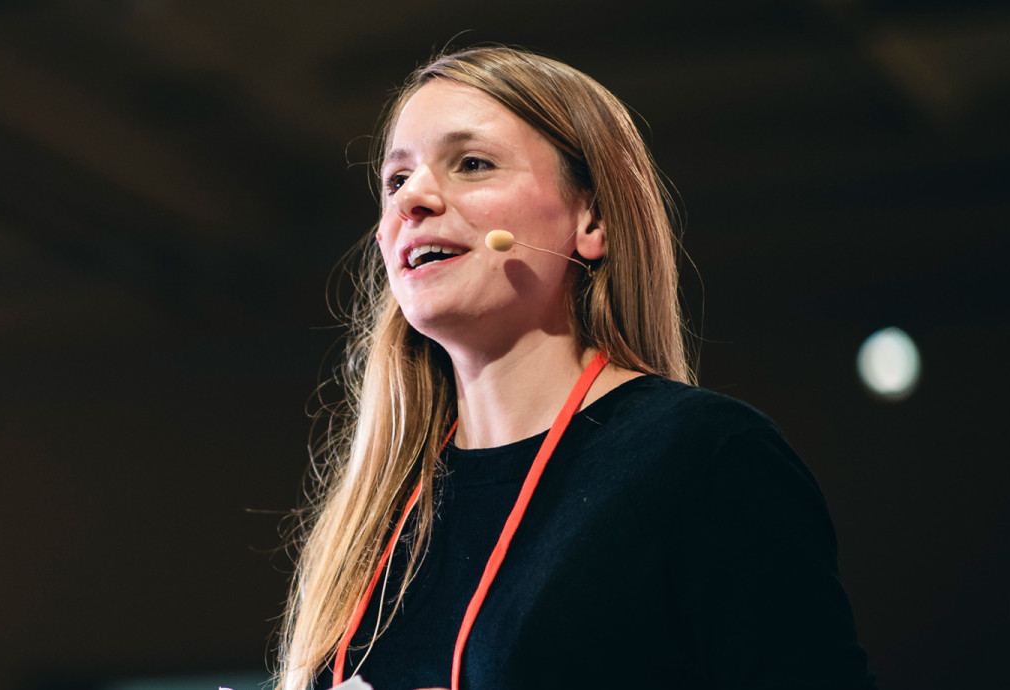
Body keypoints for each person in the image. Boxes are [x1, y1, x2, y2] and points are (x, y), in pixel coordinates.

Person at [275, 46, 875, 690]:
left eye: (471, 164)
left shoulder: (706, 458)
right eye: (395, 181)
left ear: (591, 219)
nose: (412, 199)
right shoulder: (378, 510)